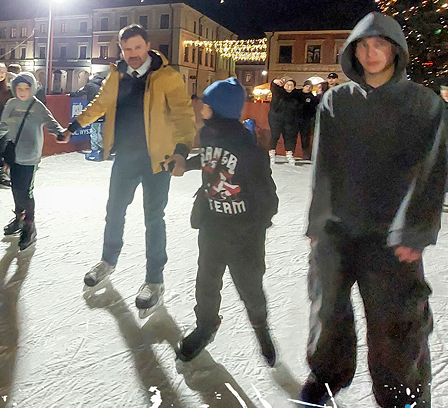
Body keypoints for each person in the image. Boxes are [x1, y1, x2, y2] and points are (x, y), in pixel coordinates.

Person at [302, 12, 447, 408]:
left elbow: (431, 172)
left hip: (392, 236)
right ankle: (327, 376)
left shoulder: (423, 103)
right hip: (338, 230)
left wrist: (415, 231)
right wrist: (317, 224)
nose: (370, 54)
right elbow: (323, 167)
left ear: (396, 51)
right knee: (327, 312)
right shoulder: (337, 100)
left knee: (396, 324)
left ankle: (405, 404)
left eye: (379, 45)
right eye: (363, 46)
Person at [63, 24, 196, 313]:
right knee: (114, 210)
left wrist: (182, 150)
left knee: (153, 218)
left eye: (137, 47)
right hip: (125, 156)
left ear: (147, 45)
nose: (132, 54)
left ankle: (154, 279)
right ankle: (108, 260)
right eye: (126, 49)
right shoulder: (117, 75)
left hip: (157, 160)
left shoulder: (168, 77)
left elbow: (185, 115)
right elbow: (100, 105)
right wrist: (73, 127)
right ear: (120, 49)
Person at [176, 78, 279, 365]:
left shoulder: (247, 146)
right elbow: (212, 160)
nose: (202, 109)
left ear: (220, 110)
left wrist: (257, 225)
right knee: (206, 281)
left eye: (207, 105)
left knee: (250, 287)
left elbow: (266, 193)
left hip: (244, 233)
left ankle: (261, 328)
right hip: (212, 226)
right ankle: (206, 325)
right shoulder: (208, 136)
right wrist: (188, 164)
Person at [0, 72, 67, 251]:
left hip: (30, 155)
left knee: (26, 191)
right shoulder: (11, 104)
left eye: (26, 88)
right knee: (16, 188)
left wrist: (60, 133)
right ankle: (19, 217)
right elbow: (4, 125)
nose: (23, 92)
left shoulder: (37, 106)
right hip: (14, 154)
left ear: (32, 89)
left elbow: (51, 122)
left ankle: (29, 226)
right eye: (19, 88)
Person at [268, 77, 300, 163]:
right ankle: (271, 153)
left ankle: (289, 153)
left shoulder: (296, 96)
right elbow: (273, 86)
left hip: (289, 120)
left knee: (289, 136)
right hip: (276, 118)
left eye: (291, 85)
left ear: (294, 87)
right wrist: (275, 81)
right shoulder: (278, 93)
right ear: (284, 86)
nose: (289, 87)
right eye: (287, 85)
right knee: (275, 135)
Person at [83, 73, 106, 161]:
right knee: (102, 132)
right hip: (104, 113)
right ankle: (103, 151)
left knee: (94, 131)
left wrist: (72, 95)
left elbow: (81, 92)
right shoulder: (104, 87)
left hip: (95, 112)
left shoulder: (90, 86)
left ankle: (95, 151)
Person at [296, 79, 319, 162]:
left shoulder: (312, 97)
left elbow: (314, 108)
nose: (308, 88)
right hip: (295, 119)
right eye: (307, 86)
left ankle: (306, 154)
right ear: (303, 86)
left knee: (305, 138)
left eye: (310, 87)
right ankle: (290, 152)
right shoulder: (297, 94)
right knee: (292, 136)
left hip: (306, 120)